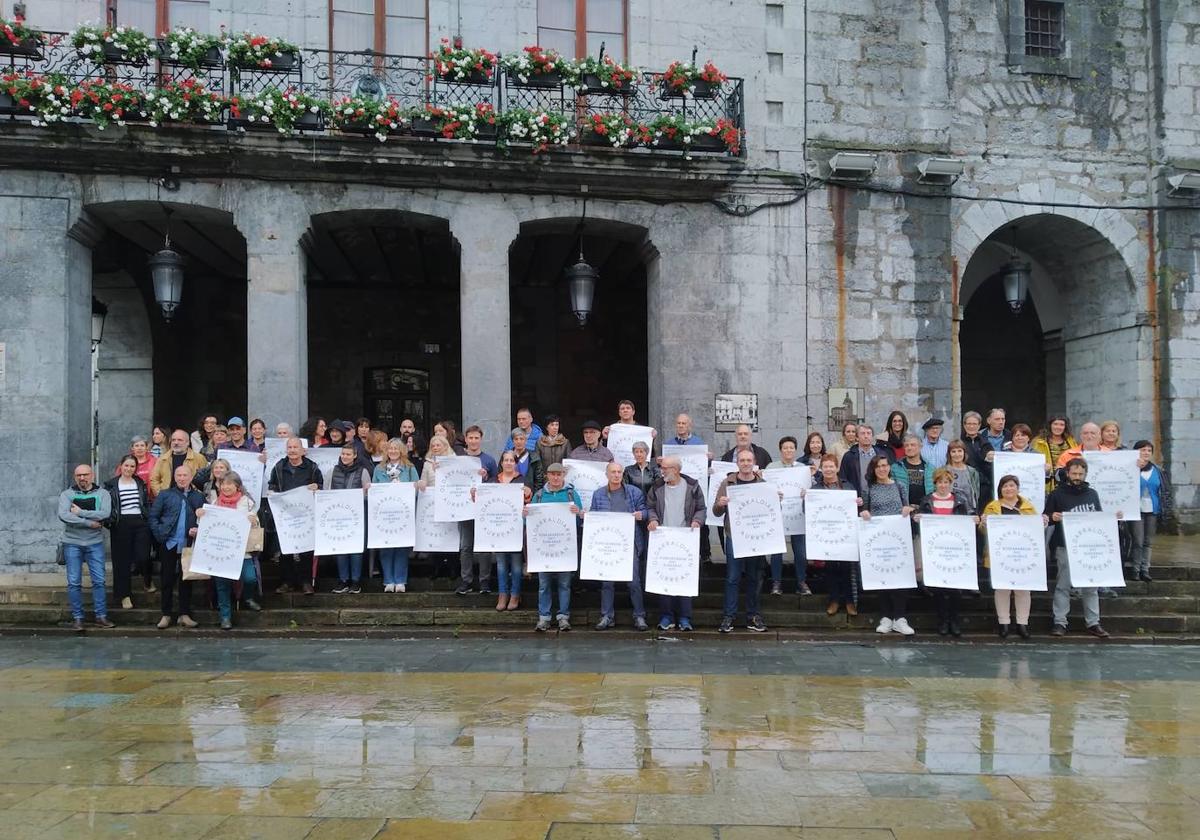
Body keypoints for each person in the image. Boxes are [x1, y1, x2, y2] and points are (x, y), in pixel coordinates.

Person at [1045, 457, 1112, 638]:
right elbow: (1046, 517)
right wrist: (1053, 517)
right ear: (1067, 473)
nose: (1077, 477)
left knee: (1091, 585)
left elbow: (1098, 519)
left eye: (1080, 474)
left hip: (1087, 546)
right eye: (1074, 473)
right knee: (1063, 585)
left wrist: (1114, 517)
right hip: (1064, 544)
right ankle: (1060, 622)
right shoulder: (1056, 494)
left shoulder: (1092, 494)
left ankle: (1093, 622)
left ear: (1085, 474)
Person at [711, 449, 770, 633]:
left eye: (748, 460)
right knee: (732, 577)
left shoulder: (762, 483)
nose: (745, 463)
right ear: (737, 463)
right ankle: (729, 616)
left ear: (754, 462)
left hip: (755, 537)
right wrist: (720, 504)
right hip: (734, 536)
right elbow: (715, 511)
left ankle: (753, 615)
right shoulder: (727, 482)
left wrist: (777, 500)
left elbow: (769, 510)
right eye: (742, 460)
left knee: (754, 577)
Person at [645, 455, 706, 631]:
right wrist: (654, 519)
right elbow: (650, 507)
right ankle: (666, 616)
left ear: (676, 470)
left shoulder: (692, 487)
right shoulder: (657, 487)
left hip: (685, 537)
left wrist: (697, 521)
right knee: (665, 577)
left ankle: (685, 618)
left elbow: (701, 508)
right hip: (663, 538)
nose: (662, 471)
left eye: (665, 468)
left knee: (684, 577)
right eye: (662, 468)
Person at [914, 468, 975, 637]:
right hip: (935, 550)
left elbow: (970, 517)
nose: (943, 485)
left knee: (955, 589)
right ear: (935, 484)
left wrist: (974, 519)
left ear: (950, 483)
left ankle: (954, 621)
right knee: (939, 589)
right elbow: (922, 524)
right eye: (940, 482)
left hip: (955, 550)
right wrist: (918, 518)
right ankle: (942, 621)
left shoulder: (960, 500)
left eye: (946, 482)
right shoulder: (926, 501)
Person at [196, 470, 261, 629]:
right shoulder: (214, 504)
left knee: (250, 578)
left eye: (229, 484)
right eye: (223, 484)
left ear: (237, 486)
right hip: (220, 550)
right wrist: (200, 515)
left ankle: (247, 597)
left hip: (242, 549)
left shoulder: (247, 502)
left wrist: (254, 520)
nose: (225, 487)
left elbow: (256, 522)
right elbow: (204, 525)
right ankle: (225, 617)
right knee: (222, 584)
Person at [590, 460, 649, 630]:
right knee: (607, 582)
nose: (616, 475)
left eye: (619, 472)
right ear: (606, 474)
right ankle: (607, 616)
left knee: (634, 582)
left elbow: (646, 511)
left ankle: (639, 616)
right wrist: (587, 516)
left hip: (629, 544)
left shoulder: (634, 492)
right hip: (607, 545)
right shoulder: (598, 494)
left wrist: (642, 515)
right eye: (613, 472)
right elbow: (594, 515)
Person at [859, 455, 915, 635]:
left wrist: (908, 509)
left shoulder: (900, 486)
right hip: (878, 540)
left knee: (900, 576)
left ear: (889, 467)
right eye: (878, 466)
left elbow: (907, 507)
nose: (882, 469)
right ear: (873, 470)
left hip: (898, 539)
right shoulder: (869, 488)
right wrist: (864, 513)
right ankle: (885, 617)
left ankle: (900, 618)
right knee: (881, 576)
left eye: (885, 465)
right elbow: (864, 509)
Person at [980, 474, 1041, 639]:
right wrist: (984, 524)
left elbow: (1035, 531)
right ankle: (1004, 623)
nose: (1008, 489)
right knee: (1002, 589)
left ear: (1018, 488)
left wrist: (1043, 522)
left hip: (1023, 555)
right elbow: (983, 532)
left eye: (1012, 485)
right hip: (999, 555)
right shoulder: (992, 507)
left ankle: (1022, 623)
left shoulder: (1028, 508)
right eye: (1005, 486)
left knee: (1023, 590)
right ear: (1000, 489)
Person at [58, 464, 115, 632]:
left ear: (92, 475)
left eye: (85, 474)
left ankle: (101, 616)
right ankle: (77, 618)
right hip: (72, 543)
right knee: (74, 582)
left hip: (95, 543)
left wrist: (80, 512)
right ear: (75, 477)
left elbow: (105, 514)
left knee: (99, 581)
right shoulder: (67, 494)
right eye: (78, 475)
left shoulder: (103, 494)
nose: (82, 478)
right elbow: (64, 515)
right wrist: (89, 522)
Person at [526, 463, 582, 632]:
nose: (556, 477)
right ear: (547, 476)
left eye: (559, 474)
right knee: (544, 584)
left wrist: (577, 512)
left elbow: (579, 521)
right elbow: (529, 523)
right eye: (553, 474)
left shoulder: (572, 494)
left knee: (564, 584)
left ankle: (563, 617)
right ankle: (544, 617)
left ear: (563, 476)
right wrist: (525, 515)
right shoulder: (539, 495)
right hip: (543, 548)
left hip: (565, 547)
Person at [148, 464, 204, 629]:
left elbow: (207, 519)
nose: (181, 478)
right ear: (174, 477)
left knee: (186, 580)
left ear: (191, 477)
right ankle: (166, 614)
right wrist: (160, 535)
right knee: (166, 579)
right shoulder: (165, 495)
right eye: (178, 475)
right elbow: (153, 517)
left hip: (187, 544)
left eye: (185, 475)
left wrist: (198, 529)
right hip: (169, 543)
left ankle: (184, 614)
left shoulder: (198, 497)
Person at [266, 437, 323, 595]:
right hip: (285, 514)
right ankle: (287, 582)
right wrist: (272, 492)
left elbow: (321, 485)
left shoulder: (312, 467)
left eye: (295, 447)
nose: (292, 450)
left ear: (302, 450)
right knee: (285, 549)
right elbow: (272, 485)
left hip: (306, 515)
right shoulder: (279, 467)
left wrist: (316, 487)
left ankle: (306, 582)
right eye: (289, 447)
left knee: (306, 549)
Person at [478, 450, 531, 611]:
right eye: (505, 460)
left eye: (511, 460)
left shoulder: (522, 480)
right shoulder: (494, 481)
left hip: (515, 528)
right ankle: (503, 594)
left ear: (515, 463)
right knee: (501, 564)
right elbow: (482, 499)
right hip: (498, 529)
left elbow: (528, 502)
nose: (508, 463)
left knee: (515, 564)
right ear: (501, 463)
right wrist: (475, 492)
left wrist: (528, 493)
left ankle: (515, 594)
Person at [451, 425, 498, 595]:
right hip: (464, 508)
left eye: (476, 438)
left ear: (481, 439)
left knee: (484, 546)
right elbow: (450, 478)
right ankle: (466, 581)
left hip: (484, 509)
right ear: (466, 439)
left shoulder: (489, 460)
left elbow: (497, 481)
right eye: (470, 438)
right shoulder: (458, 459)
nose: (473, 441)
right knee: (466, 546)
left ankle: (484, 581)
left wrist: (486, 477)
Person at [812, 453, 861, 616]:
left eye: (831, 466)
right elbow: (808, 512)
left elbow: (856, 510)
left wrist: (858, 504)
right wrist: (807, 500)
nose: (828, 469)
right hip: (826, 534)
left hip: (845, 533)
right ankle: (833, 600)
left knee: (846, 567)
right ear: (821, 468)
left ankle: (849, 601)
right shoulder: (815, 489)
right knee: (831, 568)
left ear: (837, 468)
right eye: (825, 466)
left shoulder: (848, 487)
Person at [372, 437, 420, 593]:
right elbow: (374, 490)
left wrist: (414, 488)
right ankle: (388, 580)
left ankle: (400, 581)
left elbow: (417, 489)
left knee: (401, 546)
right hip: (384, 514)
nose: (393, 451)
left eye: (396, 448)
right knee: (386, 547)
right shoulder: (379, 469)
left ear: (402, 451)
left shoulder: (410, 468)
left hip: (403, 514)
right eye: (390, 449)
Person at [105, 455, 153, 609]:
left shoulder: (139, 482)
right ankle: (124, 595)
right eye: (126, 465)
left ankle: (147, 579)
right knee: (122, 562)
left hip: (140, 522)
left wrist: (147, 518)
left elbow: (145, 502)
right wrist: (110, 522)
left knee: (143, 556)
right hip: (121, 524)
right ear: (121, 466)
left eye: (132, 466)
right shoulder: (111, 485)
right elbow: (107, 506)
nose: (129, 469)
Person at [766, 436, 812, 596]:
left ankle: (801, 581)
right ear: (780, 450)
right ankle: (776, 582)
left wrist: (807, 493)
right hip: (778, 514)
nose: (788, 450)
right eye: (785, 448)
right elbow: (765, 490)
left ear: (795, 450)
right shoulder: (771, 468)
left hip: (797, 514)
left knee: (800, 551)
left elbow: (810, 489)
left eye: (791, 448)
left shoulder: (802, 468)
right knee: (777, 550)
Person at [324, 444, 372, 594]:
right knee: (341, 548)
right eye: (343, 454)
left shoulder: (363, 472)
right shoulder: (332, 471)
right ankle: (343, 580)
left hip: (357, 516)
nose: (345, 456)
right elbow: (326, 492)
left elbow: (368, 494)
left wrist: (365, 493)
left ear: (355, 456)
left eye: (348, 454)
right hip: (338, 517)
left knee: (356, 549)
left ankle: (356, 581)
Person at [416, 434, 458, 580]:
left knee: (450, 535)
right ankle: (436, 568)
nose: (435, 448)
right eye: (433, 445)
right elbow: (423, 480)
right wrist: (421, 483)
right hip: (433, 504)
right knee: (435, 535)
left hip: (449, 503)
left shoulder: (454, 461)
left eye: (438, 445)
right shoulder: (427, 463)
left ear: (445, 446)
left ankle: (453, 568)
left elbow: (456, 480)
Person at [1130, 440, 1171, 583]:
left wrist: (1166, 510)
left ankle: (1145, 569)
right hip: (1136, 510)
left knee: (1148, 541)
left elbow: (1165, 491)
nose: (1146, 453)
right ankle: (1135, 569)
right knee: (1138, 541)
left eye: (1148, 450)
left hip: (1153, 510)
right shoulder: (1131, 469)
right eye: (1143, 450)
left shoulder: (1158, 471)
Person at [149, 429, 207, 497]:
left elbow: (205, 479)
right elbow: (154, 479)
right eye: (173, 440)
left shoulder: (199, 458)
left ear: (188, 442)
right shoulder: (162, 459)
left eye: (180, 440)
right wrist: (160, 495)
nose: (176, 443)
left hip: (191, 498)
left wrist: (198, 495)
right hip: (168, 499)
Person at [838, 424, 891, 496]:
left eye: (869, 433)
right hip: (857, 497)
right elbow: (843, 479)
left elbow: (889, 475)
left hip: (879, 496)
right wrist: (852, 494)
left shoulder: (881, 454)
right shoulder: (849, 456)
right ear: (857, 437)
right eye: (863, 433)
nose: (866, 436)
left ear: (872, 437)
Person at [1033, 414, 1077, 492]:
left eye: (1061, 425)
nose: (1058, 427)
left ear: (1065, 427)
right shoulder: (1039, 442)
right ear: (1050, 425)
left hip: (1069, 483)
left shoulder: (1071, 441)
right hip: (1048, 485)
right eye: (1055, 424)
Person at [891, 433, 934, 511]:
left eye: (913, 445)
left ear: (920, 446)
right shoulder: (895, 467)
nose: (909, 448)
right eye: (906, 445)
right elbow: (891, 490)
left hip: (925, 510)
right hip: (903, 511)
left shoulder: (930, 468)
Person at [960, 411, 995, 505]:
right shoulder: (959, 443)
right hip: (964, 485)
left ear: (979, 425)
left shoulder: (986, 444)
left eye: (974, 424)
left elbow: (992, 468)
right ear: (964, 425)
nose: (971, 426)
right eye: (969, 424)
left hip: (983, 486)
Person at [944, 439, 981, 514]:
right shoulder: (943, 470)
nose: (957, 454)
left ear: (964, 453)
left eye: (959, 451)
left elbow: (976, 494)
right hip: (948, 512)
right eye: (953, 451)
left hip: (969, 512)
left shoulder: (972, 472)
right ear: (949, 454)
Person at [510, 427, 545, 492]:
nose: (519, 441)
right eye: (516, 439)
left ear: (526, 440)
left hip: (529, 496)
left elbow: (539, 481)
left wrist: (532, 495)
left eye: (521, 439)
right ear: (512, 441)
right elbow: (500, 475)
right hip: (510, 494)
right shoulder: (506, 456)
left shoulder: (534, 457)